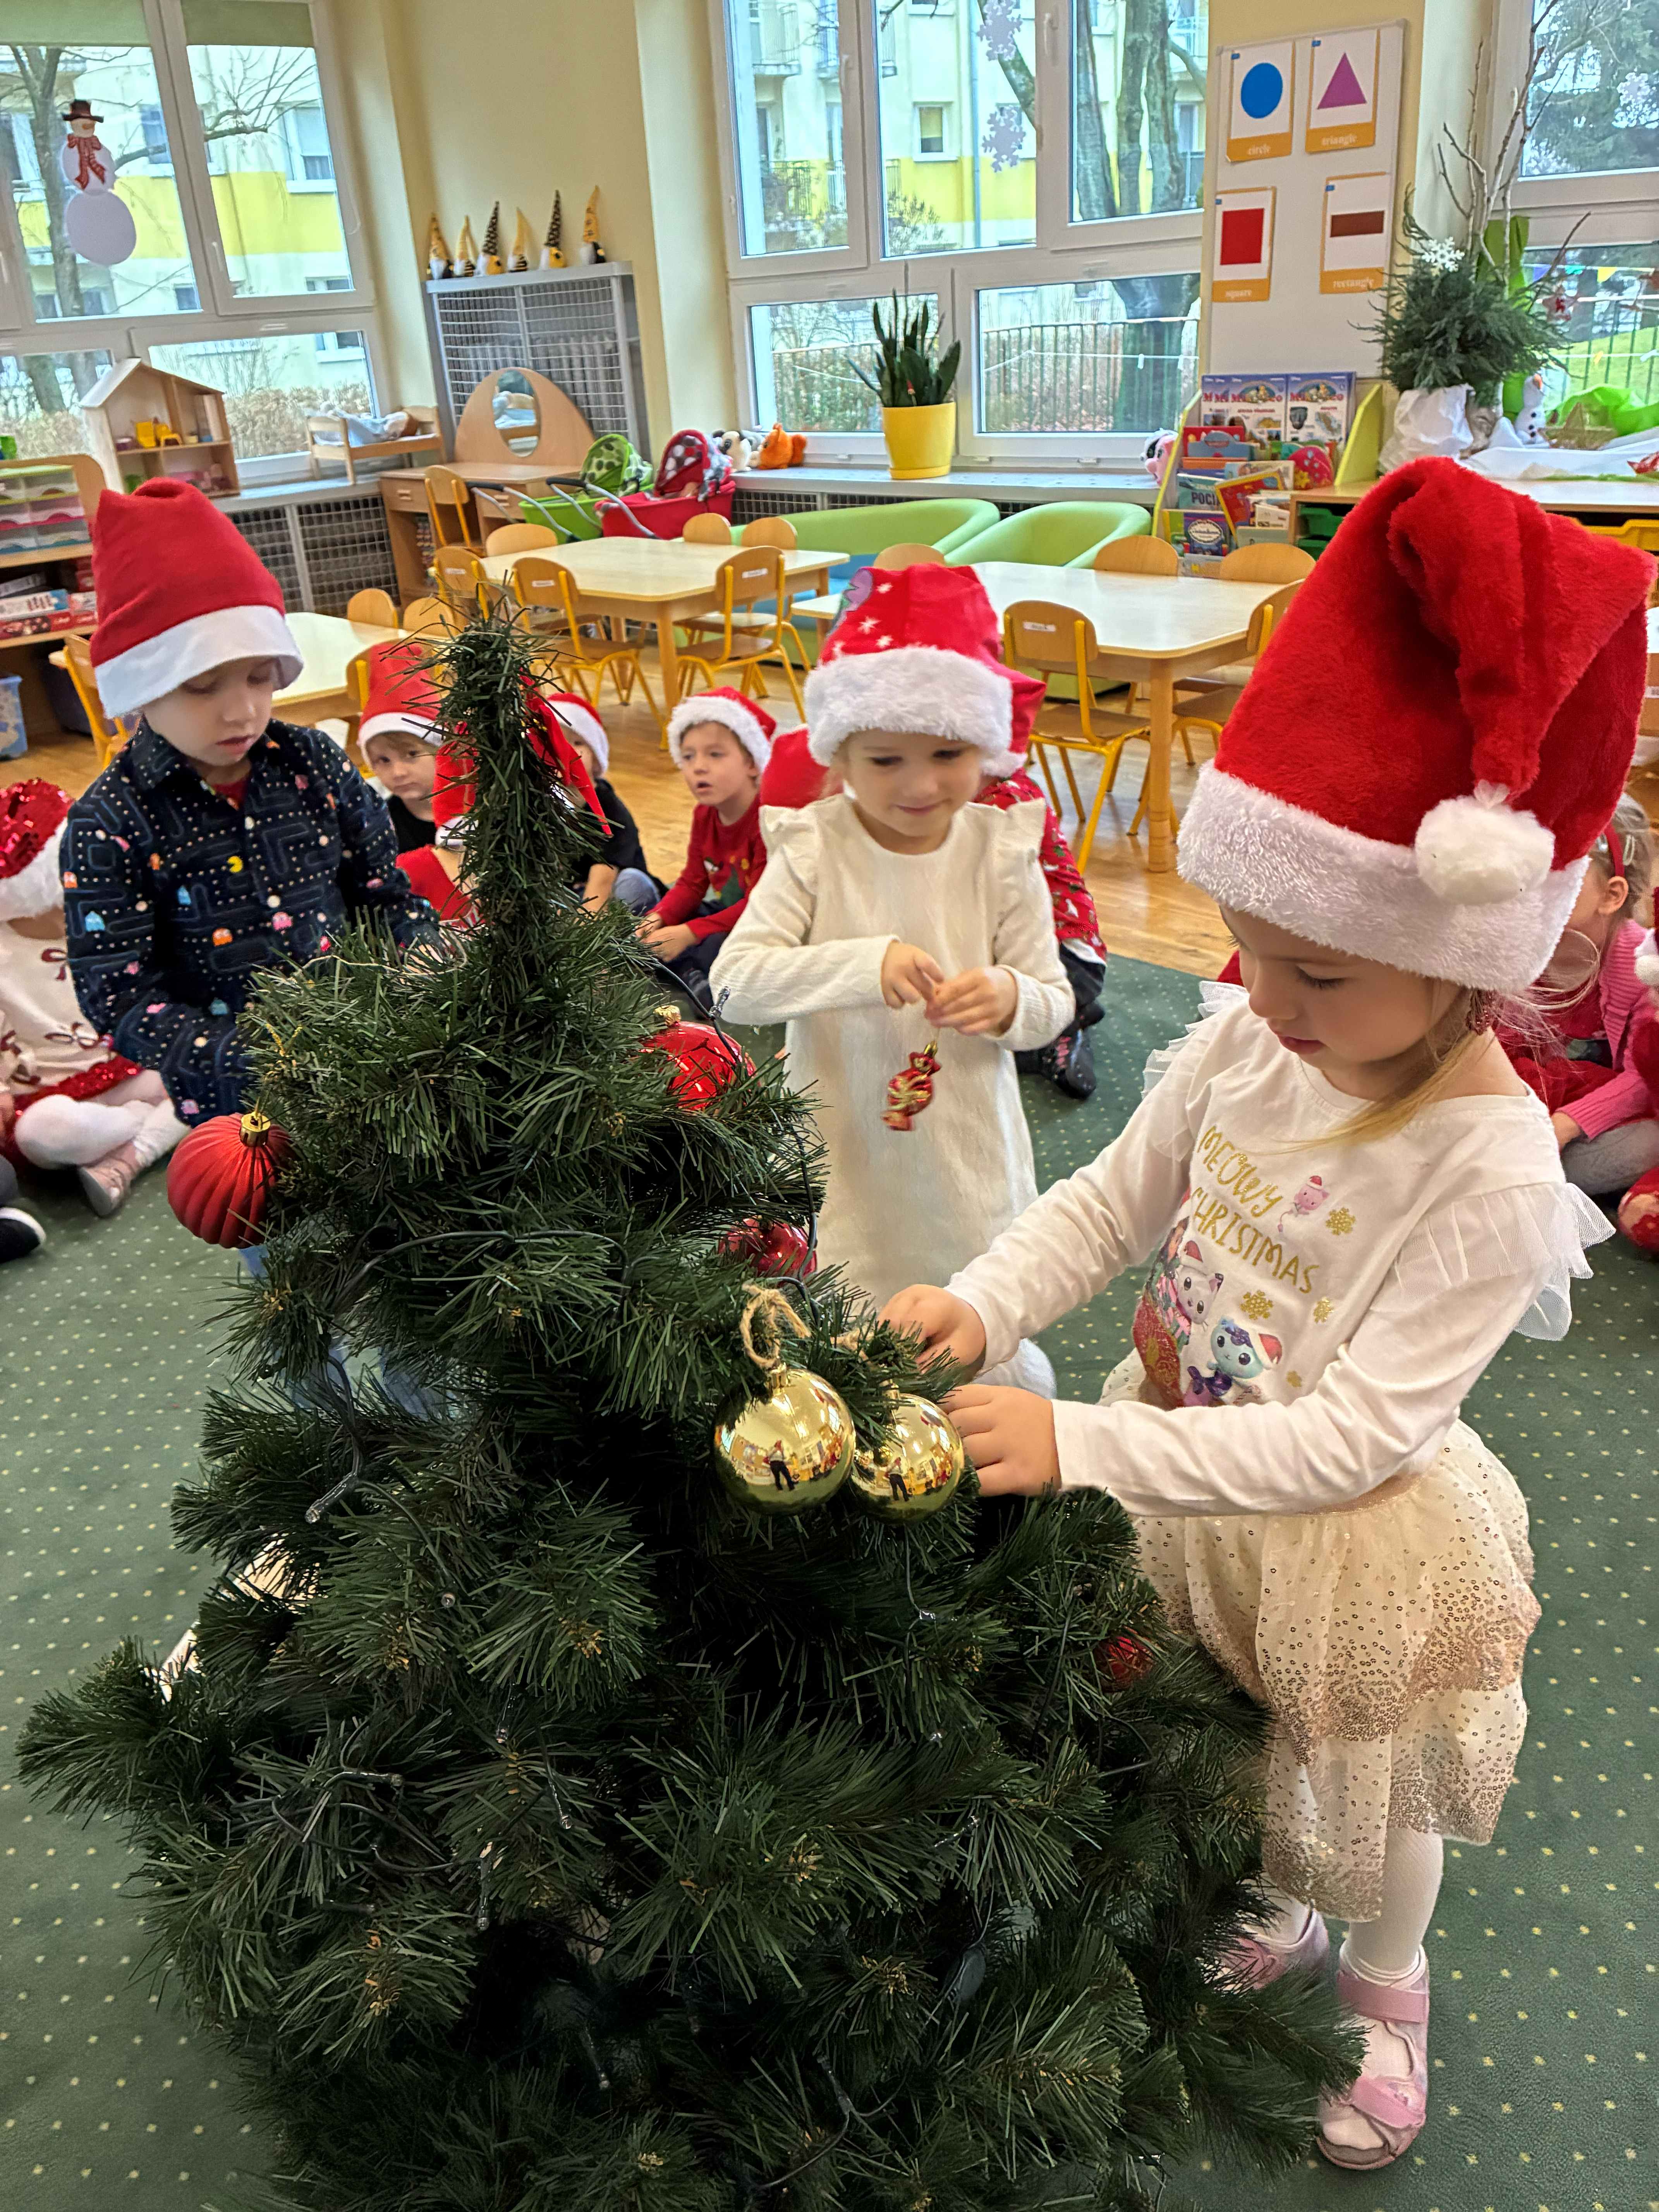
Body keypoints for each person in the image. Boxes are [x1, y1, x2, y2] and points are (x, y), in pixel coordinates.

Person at [879, 460, 1649, 2169]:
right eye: (1249, 949)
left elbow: (1360, 1434)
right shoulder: (1245, 1037)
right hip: (1187, 1462)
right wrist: (985, 1299)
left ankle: (1385, 1981)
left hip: (1346, 1533)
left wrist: (1076, 1443)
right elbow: (1109, 1199)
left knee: (1362, 1785)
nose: (1267, 999)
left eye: (1320, 971)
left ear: (1460, 958)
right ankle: (1284, 1913)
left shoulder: (1487, 1166)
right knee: (1233, 1740)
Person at [712, 565, 1073, 1391]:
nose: (919, 785)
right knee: (849, 1304)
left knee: (975, 1306)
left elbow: (1053, 1000)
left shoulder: (999, 852)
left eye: (948, 753)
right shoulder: (815, 848)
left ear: (985, 747)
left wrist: (1010, 998)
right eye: (885, 759)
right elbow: (735, 986)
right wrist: (862, 963)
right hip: (845, 1145)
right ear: (839, 754)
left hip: (965, 1151)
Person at [61, 480, 434, 1124]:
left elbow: (384, 896)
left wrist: (423, 950)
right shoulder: (109, 823)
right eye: (203, 686)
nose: (242, 711)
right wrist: (252, 1056)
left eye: (261, 677)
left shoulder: (313, 762)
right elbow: (119, 997)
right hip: (235, 1111)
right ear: (142, 685)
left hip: (371, 1071)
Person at [760, 721, 1108, 1097]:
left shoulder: (986, 816)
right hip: (1011, 954)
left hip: (1067, 960)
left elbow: (929, 924)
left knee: (951, 1037)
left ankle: (1063, 1031)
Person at [2, 778, 185, 1215]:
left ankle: (127, 1160)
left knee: (218, 1068)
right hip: (47, 1100)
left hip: (129, 1067)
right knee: (41, 1135)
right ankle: (143, 1129)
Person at [1502, 794, 1658, 1199]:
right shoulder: (1522, 948)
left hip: (1608, 1109)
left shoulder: (1644, 967)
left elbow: (1643, 1078)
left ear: (1612, 896)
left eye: (1558, 876)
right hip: (1535, 1099)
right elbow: (1495, 1047)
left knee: (1645, 1145)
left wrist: (1564, 1127)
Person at [637, 689, 772, 1007]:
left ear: (752, 762)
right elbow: (692, 882)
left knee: (721, 943)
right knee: (670, 922)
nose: (698, 767)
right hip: (729, 914)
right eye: (688, 756)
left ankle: (692, 972)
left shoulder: (768, 819)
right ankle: (694, 973)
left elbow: (761, 907)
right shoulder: (704, 815)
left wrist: (690, 933)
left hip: (764, 922)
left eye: (715, 754)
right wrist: (658, 919)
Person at [542, 690, 661, 914]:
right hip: (575, 894)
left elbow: (602, 881)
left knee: (631, 884)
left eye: (578, 742)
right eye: (556, 742)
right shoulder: (545, 802)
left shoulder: (609, 810)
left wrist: (583, 926)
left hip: (614, 894)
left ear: (596, 758)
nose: (567, 751)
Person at [356, 639, 443, 853]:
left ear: (441, 752)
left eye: (412, 754)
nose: (398, 773)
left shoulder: (476, 810)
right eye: (384, 760)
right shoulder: (383, 825)